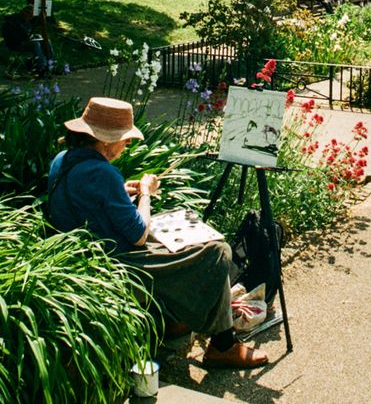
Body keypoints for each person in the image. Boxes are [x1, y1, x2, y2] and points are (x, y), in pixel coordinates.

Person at [48, 97, 268, 370]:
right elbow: (139, 235)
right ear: (105, 140)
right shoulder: (103, 173)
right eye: (125, 140)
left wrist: (123, 191)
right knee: (217, 250)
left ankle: (178, 320)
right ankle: (223, 345)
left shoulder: (63, 160)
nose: (126, 146)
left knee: (192, 240)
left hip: (85, 250)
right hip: (116, 261)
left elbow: (89, 201)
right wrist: (144, 193)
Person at [1, 5, 49, 73]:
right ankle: (41, 67)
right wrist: (26, 37)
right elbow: (11, 38)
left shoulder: (25, 21)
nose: (30, 19)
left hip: (24, 41)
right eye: (30, 17)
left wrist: (33, 36)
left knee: (46, 41)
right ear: (25, 13)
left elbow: (28, 32)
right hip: (15, 44)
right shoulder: (12, 21)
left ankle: (51, 63)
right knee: (35, 44)